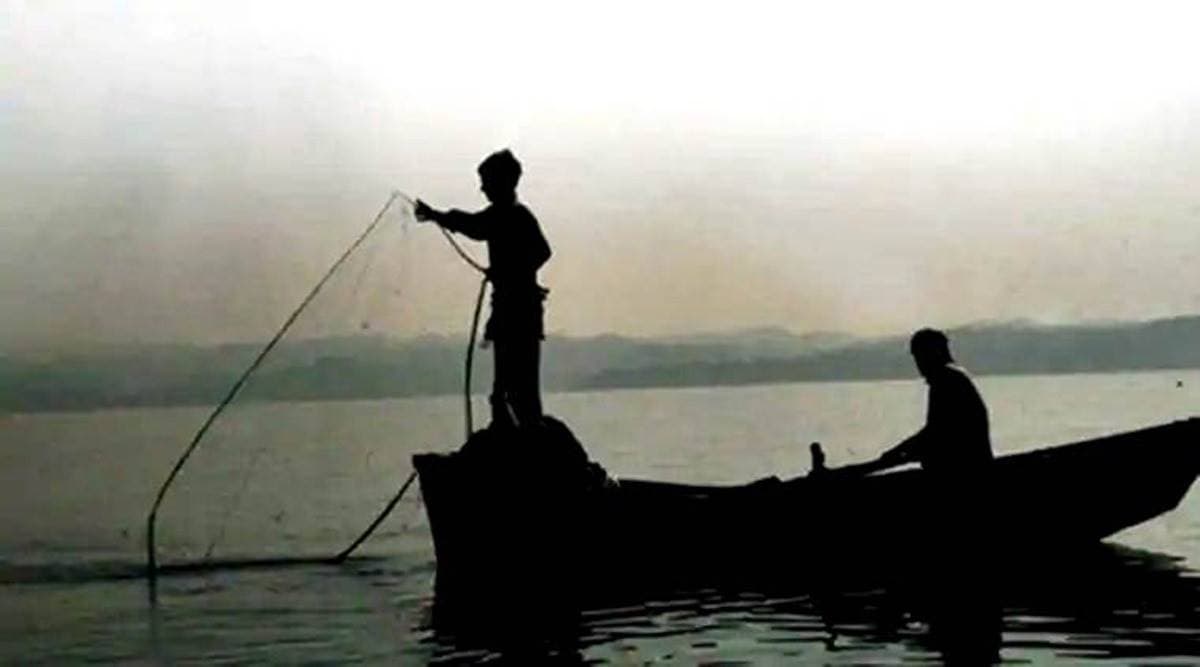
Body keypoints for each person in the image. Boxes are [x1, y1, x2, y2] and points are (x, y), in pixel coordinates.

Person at [414, 149, 552, 430]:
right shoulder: (500, 215)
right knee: (508, 388)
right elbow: (474, 225)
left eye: (487, 181)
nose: (483, 188)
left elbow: (542, 252)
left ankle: (523, 447)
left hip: (519, 311)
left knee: (517, 389)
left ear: (504, 182)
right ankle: (515, 439)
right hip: (508, 311)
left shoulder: (516, 216)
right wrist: (436, 216)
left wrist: (509, 271)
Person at [878, 328, 993, 473]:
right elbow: (937, 430)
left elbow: (939, 433)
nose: (919, 362)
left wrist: (899, 451)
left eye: (921, 355)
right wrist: (901, 451)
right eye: (917, 356)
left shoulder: (946, 380)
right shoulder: (953, 377)